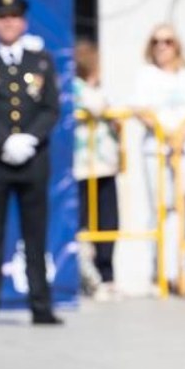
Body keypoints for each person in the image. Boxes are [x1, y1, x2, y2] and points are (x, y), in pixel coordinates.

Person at [0, 0, 63, 325]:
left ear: (23, 21)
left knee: (35, 236)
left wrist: (29, 138)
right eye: (2, 18)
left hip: (33, 160)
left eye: (14, 17)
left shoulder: (41, 61)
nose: (8, 23)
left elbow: (51, 108)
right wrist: (5, 140)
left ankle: (41, 305)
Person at [132, 24, 185, 290]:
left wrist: (182, 134)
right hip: (157, 150)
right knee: (162, 209)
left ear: (176, 45)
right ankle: (163, 272)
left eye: (167, 41)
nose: (161, 47)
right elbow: (140, 109)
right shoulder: (147, 75)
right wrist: (166, 133)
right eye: (156, 42)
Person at [72, 37, 120, 296]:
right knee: (82, 222)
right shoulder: (77, 87)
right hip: (83, 165)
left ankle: (107, 274)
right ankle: (87, 275)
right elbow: (98, 106)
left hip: (105, 163)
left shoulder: (97, 87)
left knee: (108, 220)